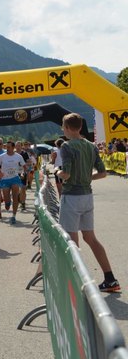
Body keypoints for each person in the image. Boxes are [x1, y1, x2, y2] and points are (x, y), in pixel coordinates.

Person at [56, 113, 120, 292]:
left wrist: (56, 172)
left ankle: (76, 282)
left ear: (68, 128)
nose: (62, 130)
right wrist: (85, 177)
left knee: (71, 240)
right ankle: (110, 278)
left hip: (71, 196)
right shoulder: (91, 146)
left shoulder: (67, 146)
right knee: (90, 238)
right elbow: (103, 173)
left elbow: (66, 174)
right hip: (87, 196)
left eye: (63, 127)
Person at [0, 141, 26, 224]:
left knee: (15, 196)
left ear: (13, 148)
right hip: (5, 179)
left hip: (15, 178)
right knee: (6, 198)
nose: (7, 148)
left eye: (9, 147)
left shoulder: (18, 156)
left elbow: (24, 166)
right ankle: (7, 202)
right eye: (6, 147)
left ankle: (13, 215)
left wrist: (23, 173)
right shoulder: (2, 156)